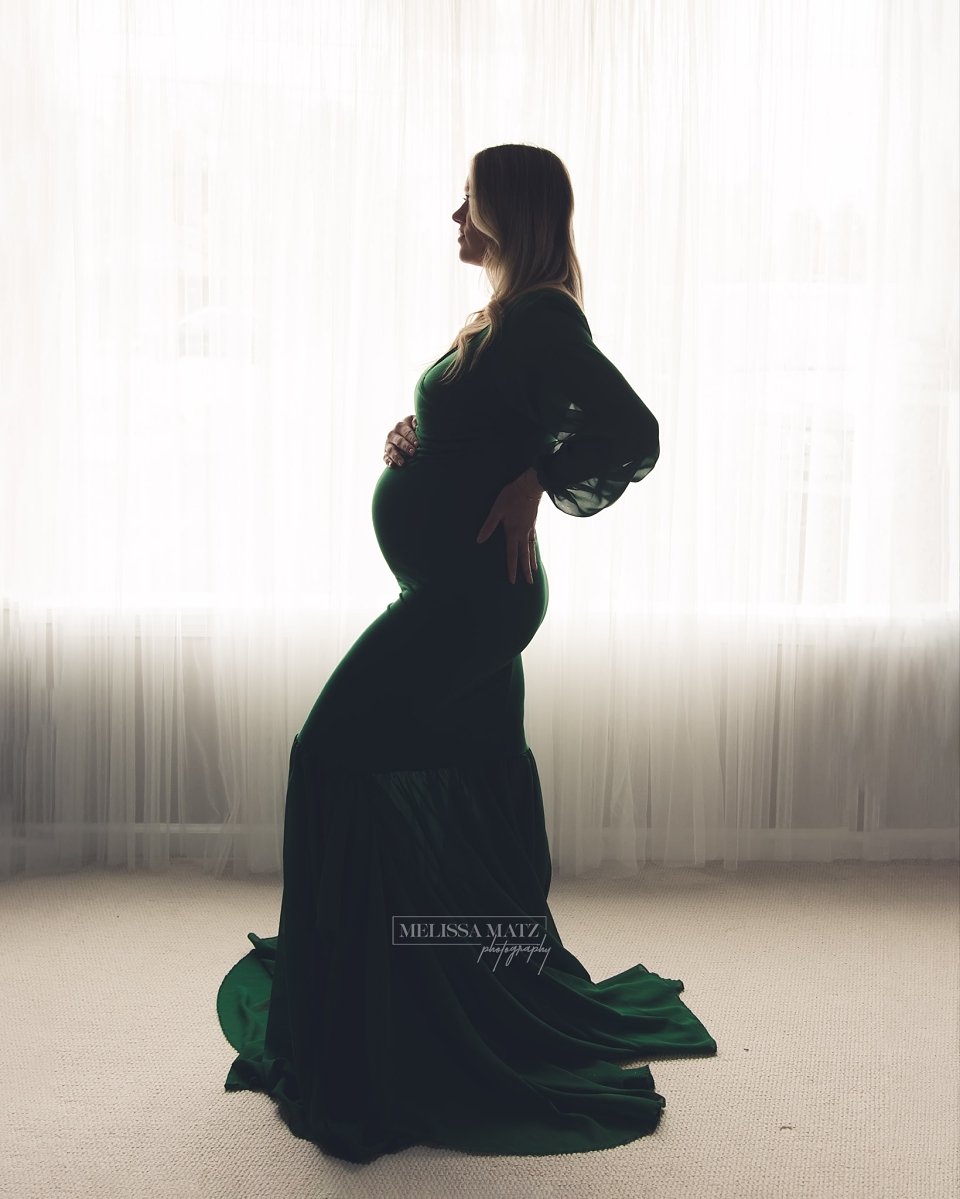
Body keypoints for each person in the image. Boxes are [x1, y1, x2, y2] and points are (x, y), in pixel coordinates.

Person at [216, 143, 717, 1164]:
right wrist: (418, 435)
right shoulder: (503, 316)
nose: (455, 213)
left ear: (508, 213)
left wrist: (539, 476)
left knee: (333, 749)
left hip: (475, 601)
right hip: (451, 591)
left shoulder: (543, 316)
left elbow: (631, 429)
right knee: (471, 784)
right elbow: (483, 423)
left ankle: (360, 999)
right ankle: (438, 984)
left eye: (471, 200)